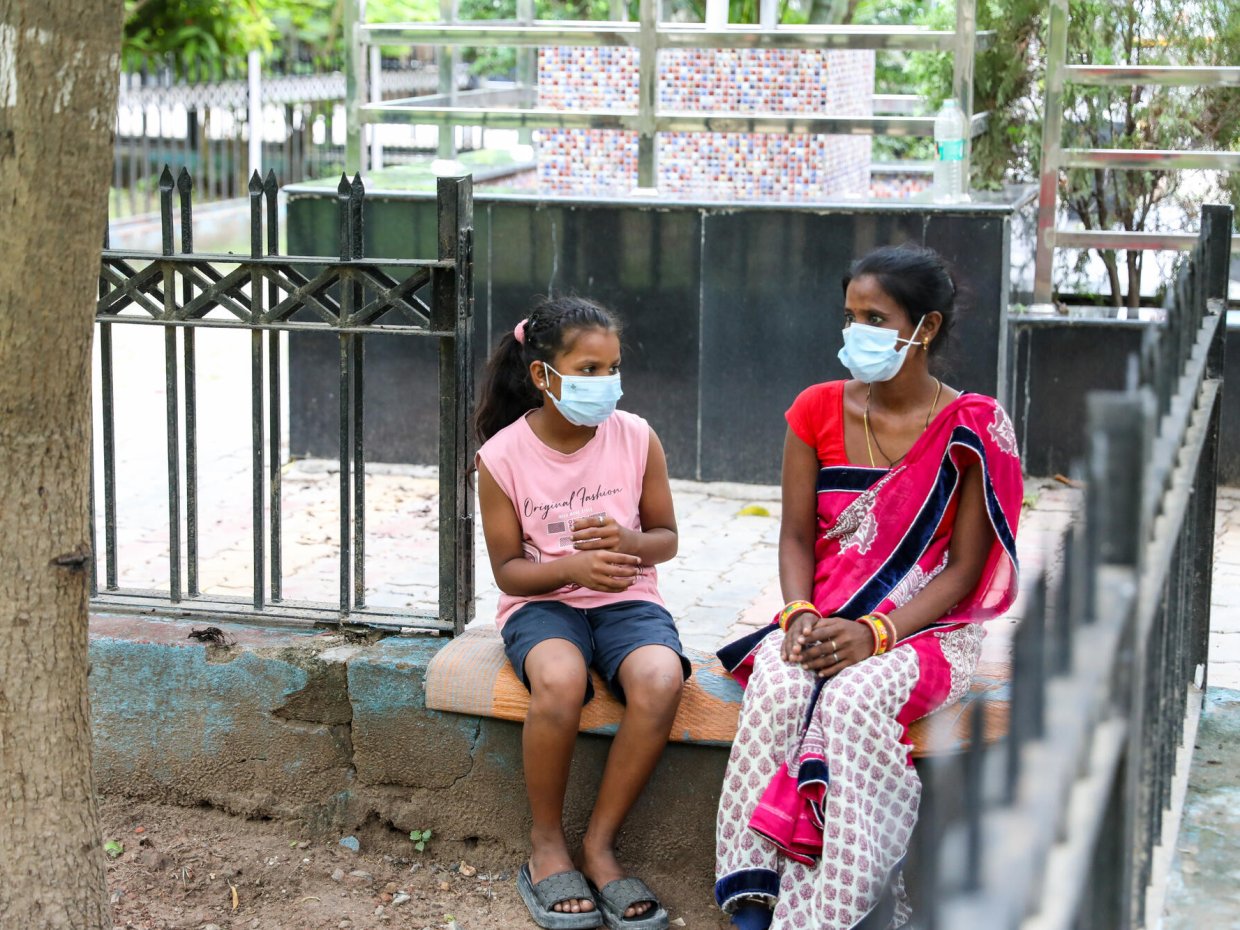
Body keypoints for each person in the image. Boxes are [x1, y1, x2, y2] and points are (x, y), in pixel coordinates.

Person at [713, 245, 1023, 930]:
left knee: (853, 701)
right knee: (779, 686)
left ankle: (840, 903)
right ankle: (757, 890)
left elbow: (968, 571)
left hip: (927, 630)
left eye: (875, 318)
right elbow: (795, 536)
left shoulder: (972, 426)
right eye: (850, 316)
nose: (856, 332)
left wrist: (877, 633)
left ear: (927, 328)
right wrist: (796, 616)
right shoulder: (816, 410)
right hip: (821, 614)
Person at [474, 296, 690, 930]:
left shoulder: (636, 436)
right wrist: (571, 568)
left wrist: (627, 544)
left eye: (613, 369)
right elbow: (509, 571)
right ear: (544, 376)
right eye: (589, 370)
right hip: (543, 605)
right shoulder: (503, 458)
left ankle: (598, 847)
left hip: (628, 600)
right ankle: (547, 844)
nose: (606, 385)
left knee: (660, 678)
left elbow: (667, 539)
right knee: (561, 679)